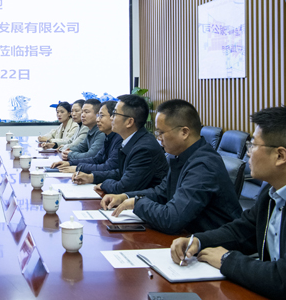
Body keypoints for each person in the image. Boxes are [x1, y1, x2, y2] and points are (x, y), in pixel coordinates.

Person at [170, 106, 286, 300]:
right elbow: (241, 231)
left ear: (280, 156)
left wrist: (227, 260)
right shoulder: (272, 190)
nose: (248, 153)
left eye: (253, 145)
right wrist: (197, 241)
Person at [101, 99, 242, 235]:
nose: (159, 138)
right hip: (190, 236)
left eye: (161, 132)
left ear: (184, 132)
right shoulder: (181, 156)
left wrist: (138, 203)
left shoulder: (203, 165)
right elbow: (161, 193)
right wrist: (125, 197)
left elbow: (172, 219)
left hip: (214, 245)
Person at [72, 95, 168, 191]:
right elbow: (122, 173)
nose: (111, 118)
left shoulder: (144, 148)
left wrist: (103, 184)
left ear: (129, 122)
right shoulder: (131, 140)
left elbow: (124, 186)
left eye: (115, 114)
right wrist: (92, 177)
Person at [51, 101, 122, 179]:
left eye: (101, 116)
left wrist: (78, 167)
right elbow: (96, 158)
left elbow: (107, 166)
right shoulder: (107, 136)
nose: (98, 119)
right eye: (82, 112)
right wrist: (70, 163)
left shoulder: (116, 138)